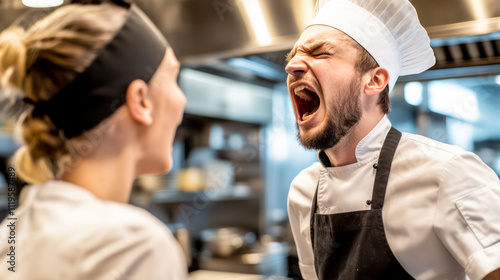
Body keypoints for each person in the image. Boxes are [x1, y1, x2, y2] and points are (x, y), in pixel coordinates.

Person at [285, 0, 500, 279]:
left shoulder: (449, 173)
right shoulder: (302, 191)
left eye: (320, 52)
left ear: (374, 81)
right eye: (293, 56)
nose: (292, 65)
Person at [0, 0, 187, 279]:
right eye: (173, 77)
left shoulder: (11, 235)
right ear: (140, 100)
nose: (182, 101)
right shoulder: (135, 247)